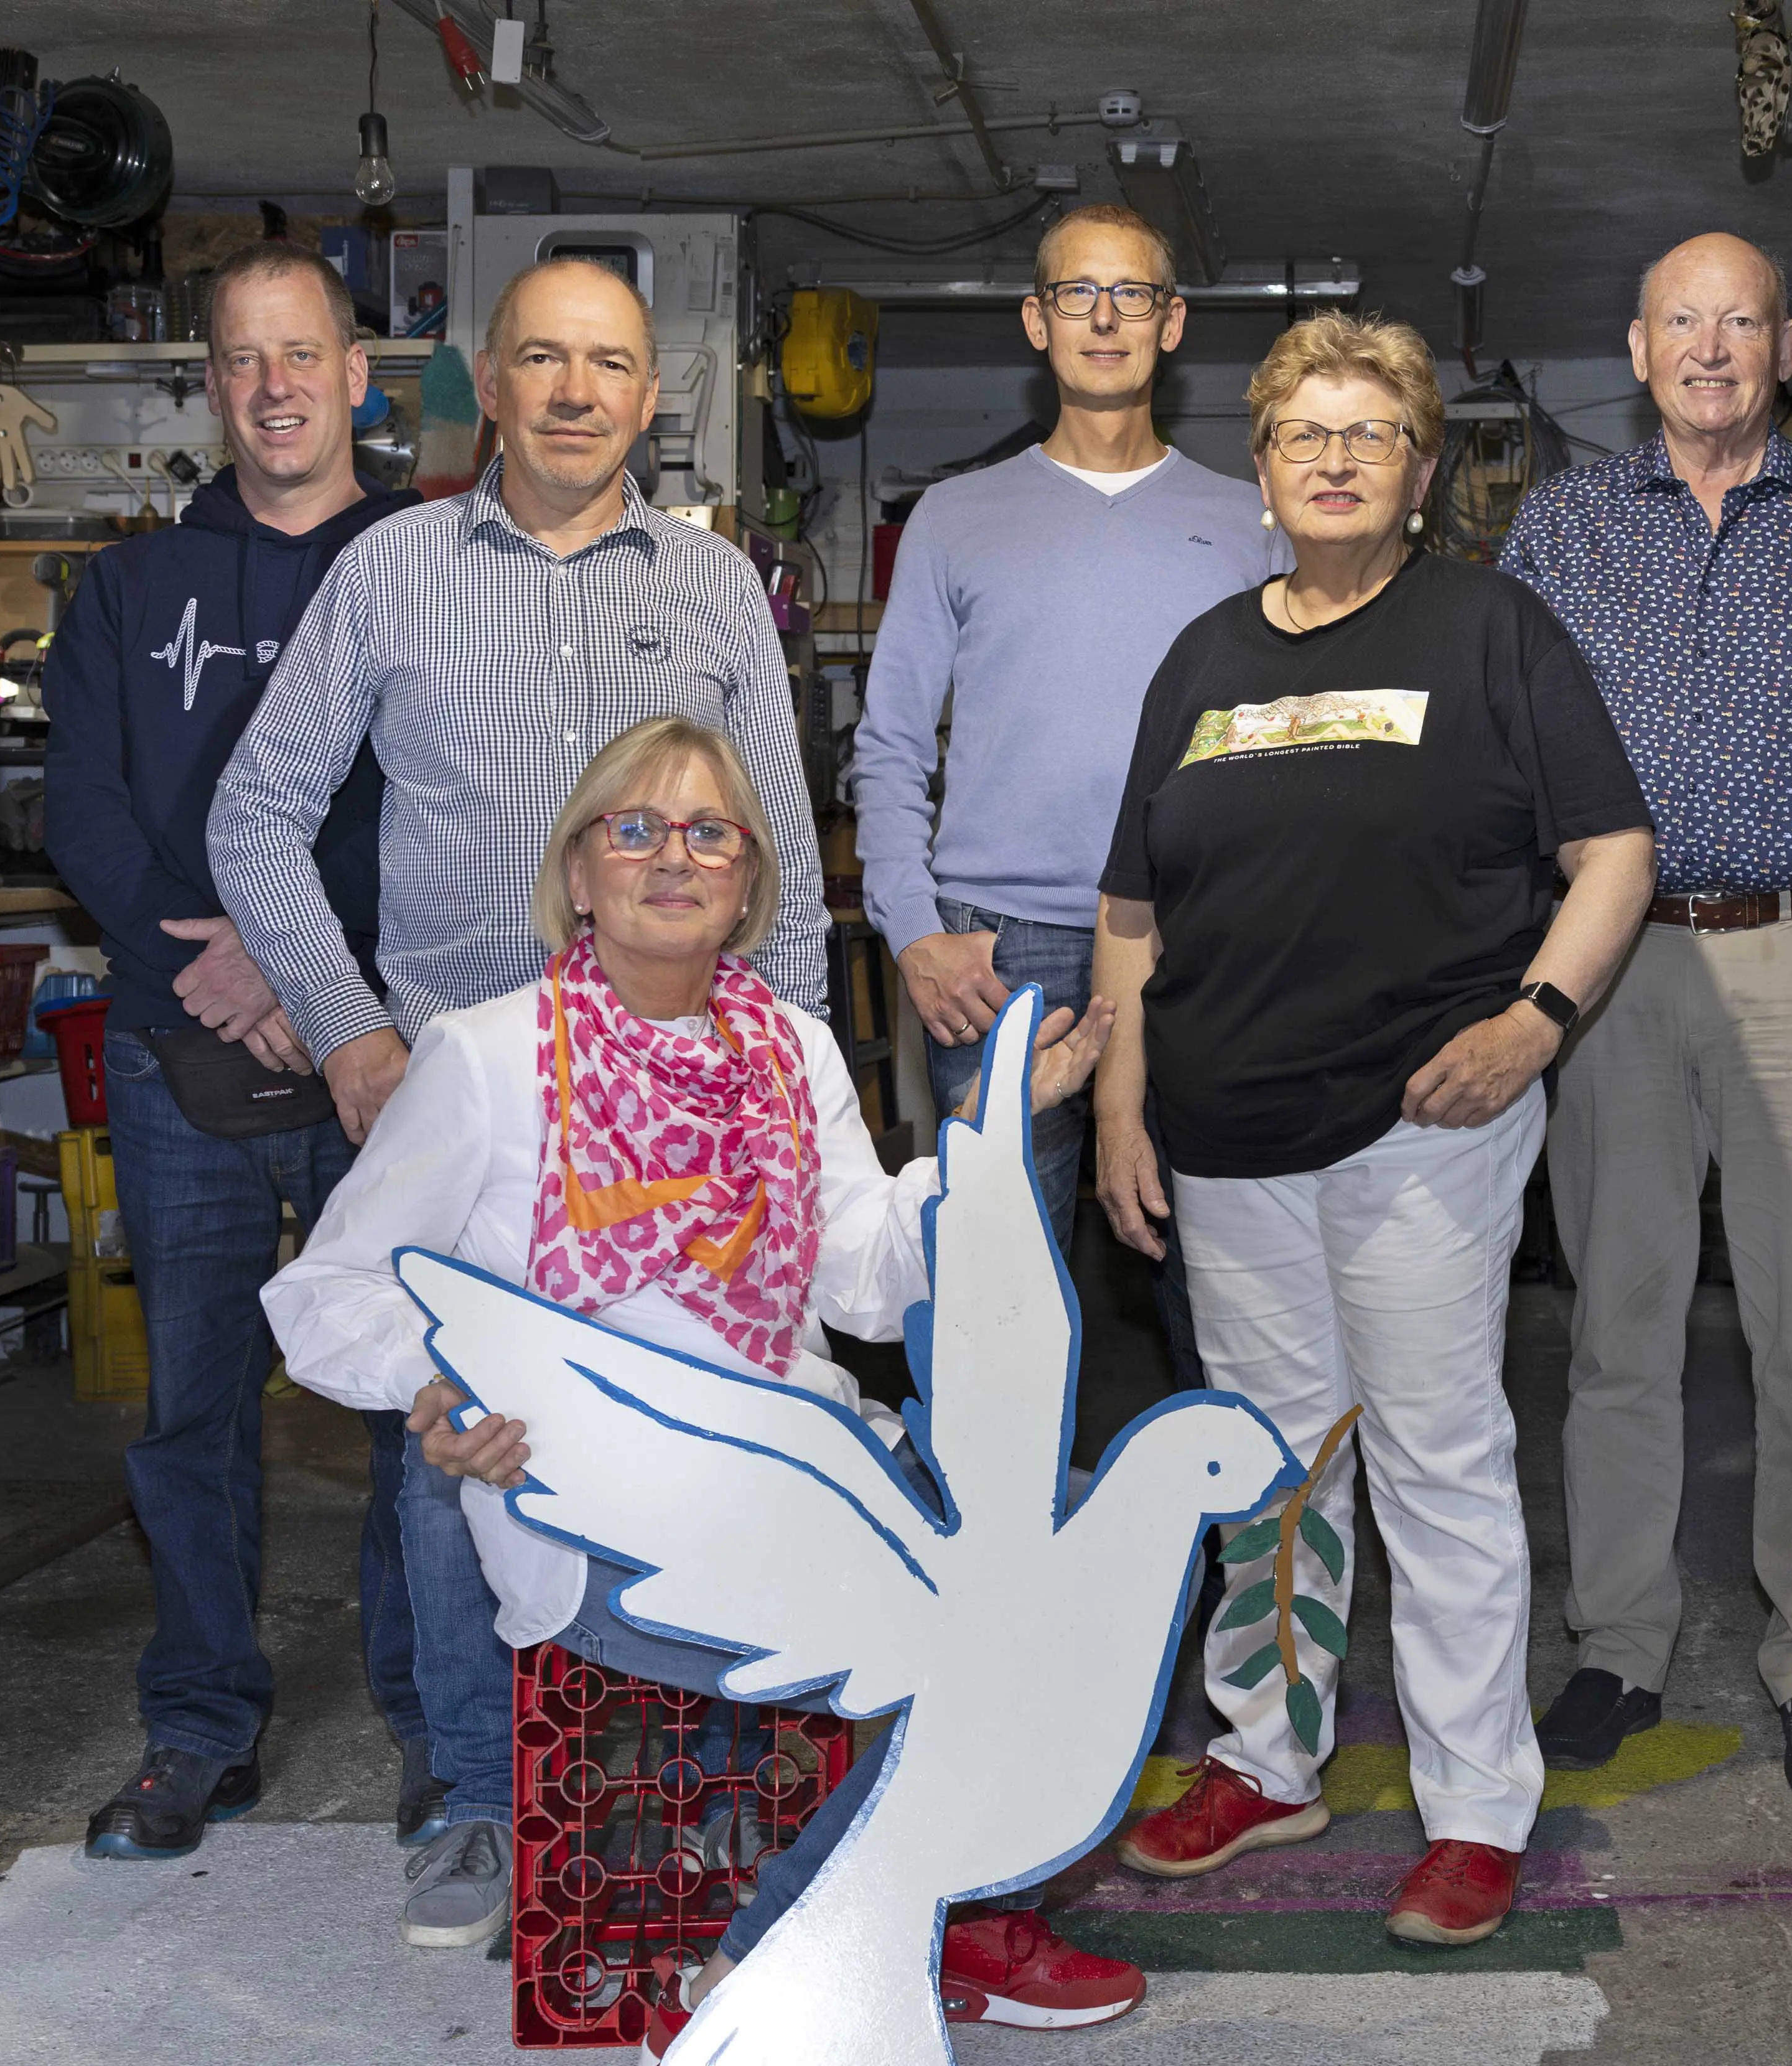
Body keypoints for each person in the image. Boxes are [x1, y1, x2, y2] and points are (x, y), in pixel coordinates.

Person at [263, 716, 1146, 2039]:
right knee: (988, 1637)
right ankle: (860, 1929)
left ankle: (784, 1936)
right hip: (594, 1507)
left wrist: (989, 1145)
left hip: (801, 1472)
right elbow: (326, 1295)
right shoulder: (487, 1055)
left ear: (746, 885)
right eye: (635, 827)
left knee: (1083, 1556)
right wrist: (439, 1382)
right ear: (578, 872)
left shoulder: (791, 1050)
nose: (672, 857)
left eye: (710, 834)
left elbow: (859, 1275)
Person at [209, 255, 834, 1946]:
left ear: (650, 398)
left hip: (683, 1107)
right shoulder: (391, 574)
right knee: (450, 1456)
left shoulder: (710, 589)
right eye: (540, 358)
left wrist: (800, 1094)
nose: (572, 391)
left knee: (706, 1437)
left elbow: (771, 847)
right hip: (469, 1091)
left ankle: (709, 1786)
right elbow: (257, 813)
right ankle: (480, 1802)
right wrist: (349, 1035)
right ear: (485, 384)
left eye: (608, 364)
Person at [1097, 312, 1655, 1948]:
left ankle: (1474, 1804)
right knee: (1266, 1471)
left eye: (1367, 434)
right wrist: (1125, 1098)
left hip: (1424, 1117)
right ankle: (1265, 1757)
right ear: (1261, 473)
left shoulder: (1491, 630)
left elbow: (1611, 850)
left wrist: (1530, 1019)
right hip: (1221, 1130)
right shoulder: (1201, 657)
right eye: (1300, 435)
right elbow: (1130, 908)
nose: (1331, 459)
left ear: (1418, 472)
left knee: (1432, 1455)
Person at [1498, 233, 1792, 1797]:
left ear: (1789, 346)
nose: (1713, 347)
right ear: (1637, 344)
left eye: (1742, 321)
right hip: (1613, 968)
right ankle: (1616, 1644)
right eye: (1685, 321)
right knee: (1617, 1327)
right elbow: (1508, 738)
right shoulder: (1562, 523)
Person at [41, 241, 437, 1864]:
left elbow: (437, 806)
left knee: (415, 1399)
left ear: (358, 375)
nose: (272, 386)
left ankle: (434, 1721)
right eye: (239, 360)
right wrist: (197, 964)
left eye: (302, 354)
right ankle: (202, 1722)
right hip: (173, 1049)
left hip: (379, 1059)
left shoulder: (424, 572)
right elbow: (81, 806)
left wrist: (299, 968)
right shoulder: (130, 593)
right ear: (214, 388)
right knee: (190, 1403)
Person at [850, 202, 1284, 1264]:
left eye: (1129, 294)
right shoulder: (952, 517)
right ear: (1036, 321)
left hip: (1195, 942)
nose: (1103, 317)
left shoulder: (1254, 520)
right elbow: (891, 743)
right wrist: (913, 930)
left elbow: (1285, 752)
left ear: (1170, 323)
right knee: (995, 1291)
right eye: (1075, 294)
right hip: (998, 955)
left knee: (1222, 1283)